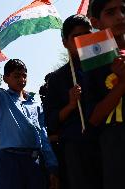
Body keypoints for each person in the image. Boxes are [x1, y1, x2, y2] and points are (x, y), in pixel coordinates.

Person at [0, 33, 58, 189]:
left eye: (24, 76)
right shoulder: (0, 98)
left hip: (34, 161)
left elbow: (43, 135)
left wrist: (52, 166)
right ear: (5, 78)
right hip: (10, 161)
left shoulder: (35, 102)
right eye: (16, 76)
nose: (21, 80)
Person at [44, 14, 102, 189]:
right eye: (77, 37)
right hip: (76, 149)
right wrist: (70, 105)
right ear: (65, 42)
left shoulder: (104, 67)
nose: (84, 41)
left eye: (87, 35)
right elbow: (51, 121)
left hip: (106, 142)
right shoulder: (57, 79)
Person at [83, 0, 125, 188]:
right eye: (110, 12)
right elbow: (93, 118)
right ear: (95, 22)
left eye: (124, 10)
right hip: (115, 146)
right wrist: (122, 83)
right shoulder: (93, 62)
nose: (120, 16)